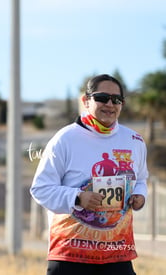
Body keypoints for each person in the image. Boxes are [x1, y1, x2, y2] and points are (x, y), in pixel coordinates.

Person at [30, 74, 148, 275]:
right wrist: (78, 197)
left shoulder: (134, 140)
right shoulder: (64, 139)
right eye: (102, 97)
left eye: (116, 99)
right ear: (86, 101)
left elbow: (141, 179)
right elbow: (40, 189)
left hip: (117, 253)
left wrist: (140, 195)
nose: (110, 104)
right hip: (71, 253)